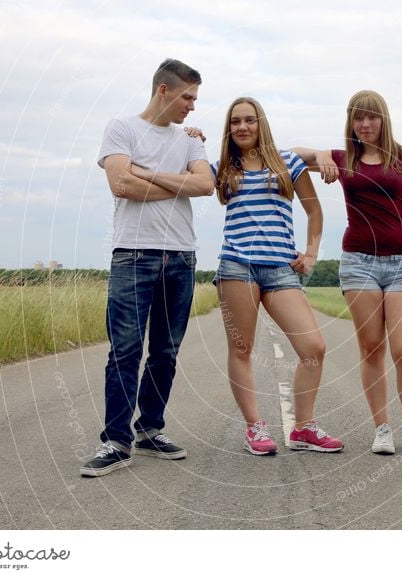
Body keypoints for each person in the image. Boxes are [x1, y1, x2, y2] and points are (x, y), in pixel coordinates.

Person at [80, 59, 214, 477]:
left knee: (165, 351)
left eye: (195, 98)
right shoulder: (121, 128)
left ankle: (150, 429)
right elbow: (122, 185)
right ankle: (116, 442)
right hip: (133, 255)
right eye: (187, 96)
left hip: (180, 255)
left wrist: (146, 174)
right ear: (163, 90)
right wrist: (174, 182)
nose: (192, 105)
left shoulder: (191, 140)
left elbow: (206, 185)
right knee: (126, 350)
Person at [293, 90, 402, 456]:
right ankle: (382, 429)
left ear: (383, 119)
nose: (365, 124)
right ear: (350, 122)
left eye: (371, 117)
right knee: (371, 348)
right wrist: (323, 156)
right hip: (358, 264)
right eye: (357, 118)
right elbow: (287, 156)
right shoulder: (343, 159)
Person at [213, 97, 343, 455]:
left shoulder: (288, 162)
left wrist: (312, 252)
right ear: (229, 128)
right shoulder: (224, 166)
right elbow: (189, 174)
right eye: (235, 121)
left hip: (280, 268)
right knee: (242, 349)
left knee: (313, 347)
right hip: (237, 265)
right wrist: (191, 135)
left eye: (249, 120)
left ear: (261, 123)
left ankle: (303, 429)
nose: (242, 127)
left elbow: (314, 212)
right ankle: (255, 428)